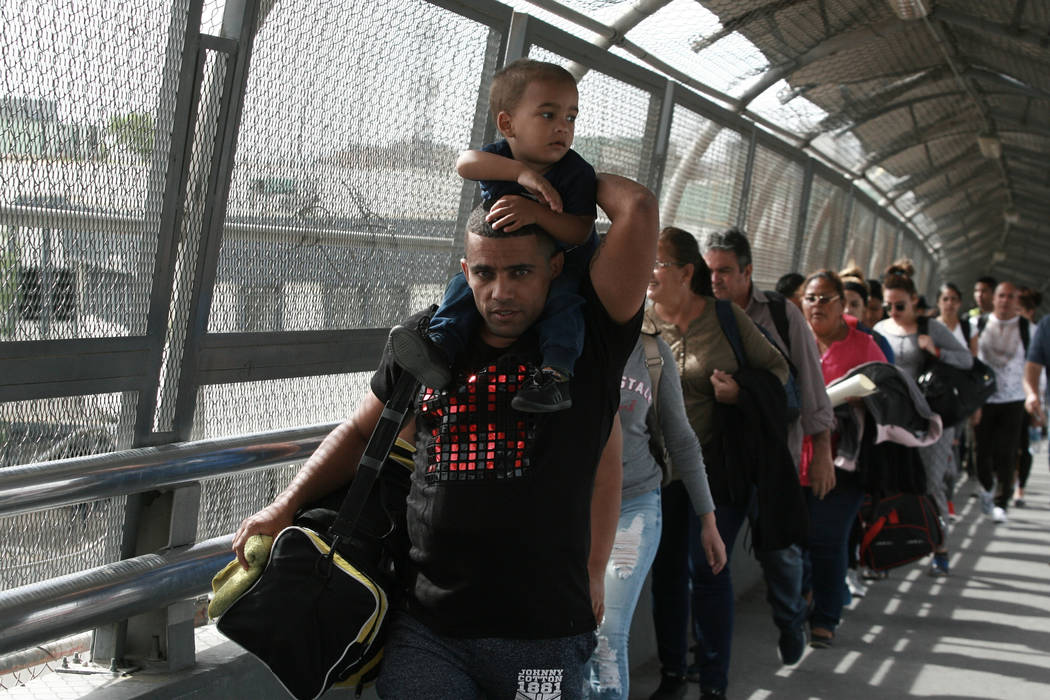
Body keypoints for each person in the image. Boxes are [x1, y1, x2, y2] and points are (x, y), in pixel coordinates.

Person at [232, 175, 660, 700]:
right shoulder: (427, 343)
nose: (501, 291)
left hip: (543, 633)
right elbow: (362, 431)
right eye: (485, 272)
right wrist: (284, 505)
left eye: (520, 271)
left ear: (553, 268)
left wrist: (544, 172)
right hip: (428, 630)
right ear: (465, 272)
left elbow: (636, 206)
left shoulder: (587, 346)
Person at [390, 58, 597, 413]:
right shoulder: (499, 156)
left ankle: (555, 375)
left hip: (557, 268)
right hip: (502, 261)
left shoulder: (575, 171)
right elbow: (464, 163)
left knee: (565, 305)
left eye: (571, 117)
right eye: (548, 115)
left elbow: (580, 229)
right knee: (462, 286)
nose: (563, 127)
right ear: (507, 123)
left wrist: (536, 212)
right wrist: (521, 174)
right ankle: (439, 347)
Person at [646, 226, 791, 700]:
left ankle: (712, 683)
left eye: (658, 262)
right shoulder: (639, 321)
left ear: (687, 273)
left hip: (719, 469)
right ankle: (672, 675)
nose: (648, 269)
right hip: (659, 474)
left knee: (708, 566)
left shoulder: (726, 318)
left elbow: (777, 369)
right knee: (667, 573)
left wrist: (739, 391)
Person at [702, 228, 835, 662]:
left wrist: (822, 454)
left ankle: (790, 618)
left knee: (780, 551)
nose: (716, 279)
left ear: (748, 272)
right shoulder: (701, 313)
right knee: (709, 552)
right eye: (709, 271)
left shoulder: (780, 314)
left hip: (774, 456)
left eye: (724, 271)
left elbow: (812, 387)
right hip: (721, 458)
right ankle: (705, 650)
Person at [585, 333, 727, 700]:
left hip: (634, 504)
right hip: (569, 510)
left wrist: (707, 520)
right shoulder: (560, 335)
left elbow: (680, 437)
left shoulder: (651, 353)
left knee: (606, 633)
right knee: (569, 635)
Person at [799, 270, 886, 647]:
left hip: (845, 462)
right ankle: (801, 601)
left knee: (828, 540)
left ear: (841, 304)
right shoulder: (792, 340)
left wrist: (861, 397)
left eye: (825, 299)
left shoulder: (863, 345)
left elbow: (889, 392)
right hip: (794, 458)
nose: (817, 305)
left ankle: (825, 616)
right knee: (795, 541)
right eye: (810, 298)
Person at [874, 269, 971, 575]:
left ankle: (940, 548)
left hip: (930, 419)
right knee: (888, 482)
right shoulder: (880, 329)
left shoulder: (932, 328)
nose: (894, 312)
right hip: (892, 418)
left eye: (900, 306)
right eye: (888, 306)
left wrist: (936, 350)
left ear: (914, 301)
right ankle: (885, 548)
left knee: (930, 482)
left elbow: (967, 360)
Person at [970, 282, 1030, 524]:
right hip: (983, 398)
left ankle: (1000, 502)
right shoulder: (977, 325)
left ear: (1017, 301)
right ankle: (986, 487)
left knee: (1007, 451)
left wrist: (1037, 399)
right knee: (981, 450)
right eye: (1001, 296)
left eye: (1011, 297)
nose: (1005, 300)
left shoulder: (1029, 329)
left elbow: (1037, 366)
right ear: (994, 299)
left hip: (1014, 399)